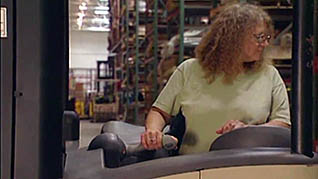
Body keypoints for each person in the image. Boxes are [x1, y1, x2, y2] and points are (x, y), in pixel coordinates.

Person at [141, 3, 291, 155]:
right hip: (192, 168)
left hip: (249, 166)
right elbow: (159, 111)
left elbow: (282, 124)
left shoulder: (270, 75)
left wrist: (248, 131)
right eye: (259, 37)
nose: (265, 44)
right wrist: (153, 131)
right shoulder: (189, 70)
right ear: (234, 38)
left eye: (267, 38)